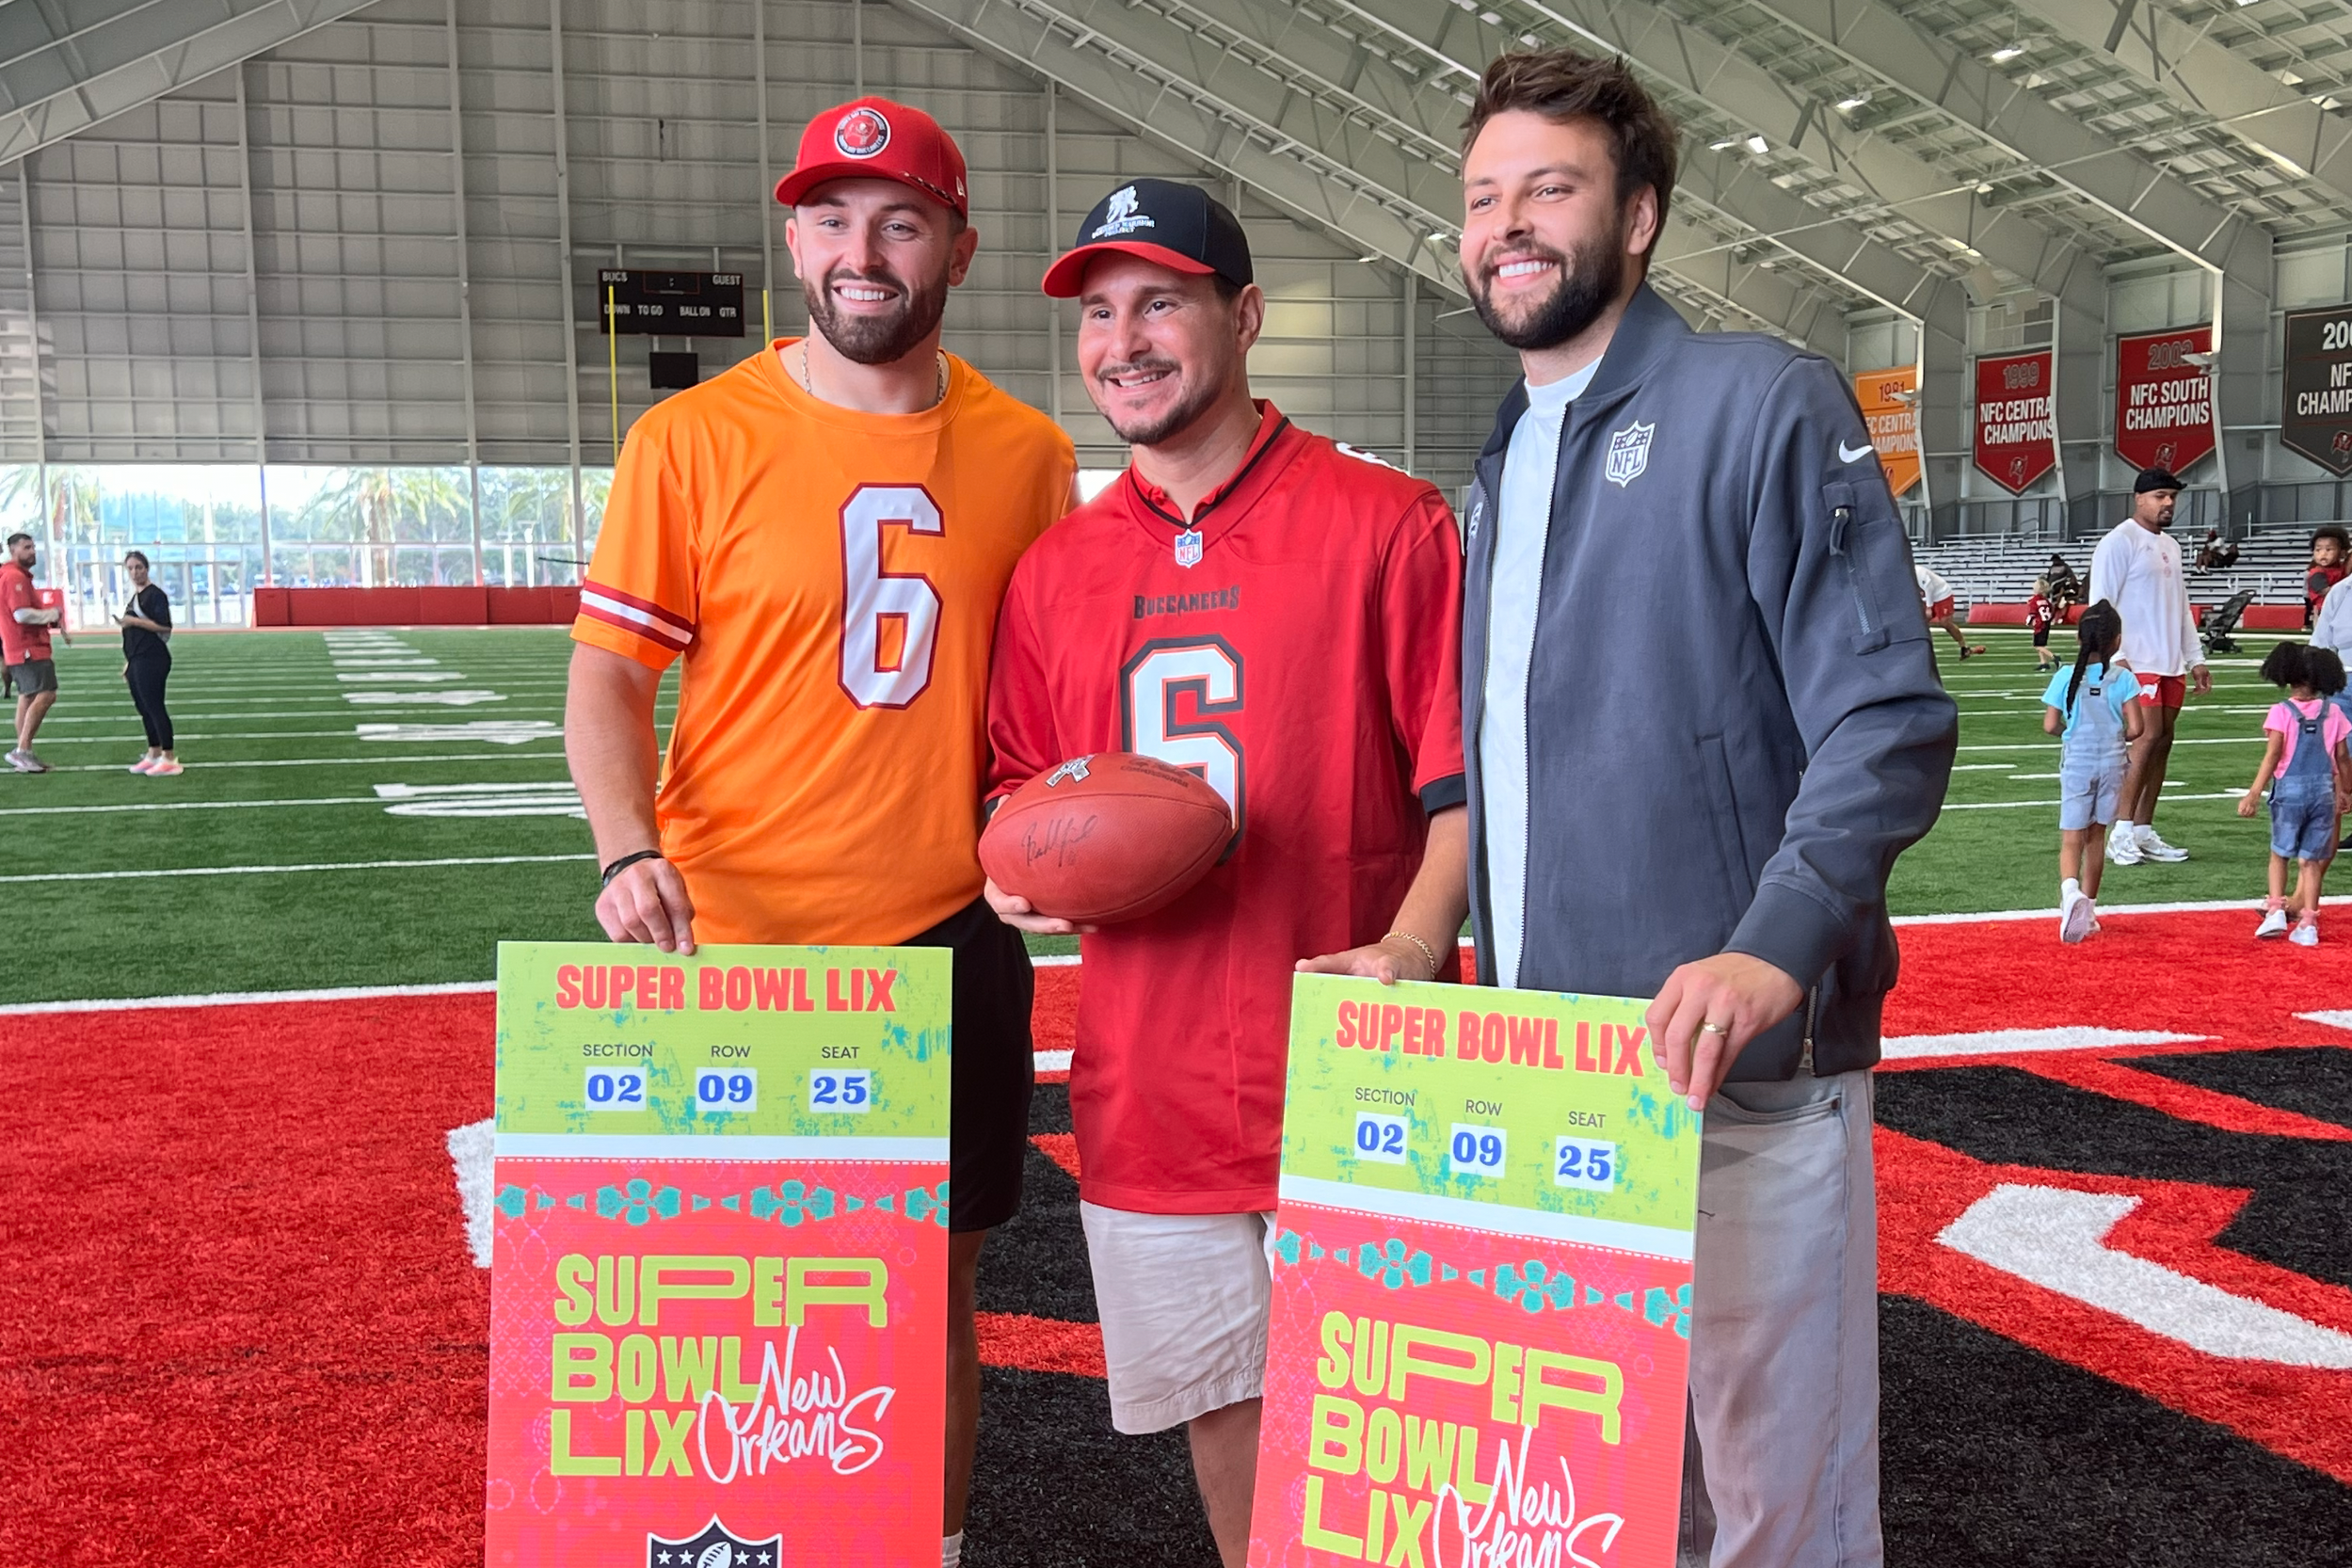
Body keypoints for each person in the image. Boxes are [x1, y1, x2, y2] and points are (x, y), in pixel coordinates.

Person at [1451, 49, 1955, 1567]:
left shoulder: (1761, 402)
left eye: (1549, 189)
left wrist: (1769, 947)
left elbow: (1885, 718)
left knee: (1775, 1516)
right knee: (1591, 1509)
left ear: (1640, 216)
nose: (1506, 226)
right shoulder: (1496, 460)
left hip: (1731, 1074)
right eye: (1481, 199)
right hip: (1551, 1081)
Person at [561, 97, 1075, 1568]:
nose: (864, 250)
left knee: (933, 1297)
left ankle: (935, 1545)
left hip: (943, 940)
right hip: (734, 942)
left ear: (956, 249)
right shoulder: (692, 436)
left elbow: (1039, 709)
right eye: (833, 218)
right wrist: (621, 844)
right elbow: (607, 672)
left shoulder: (1029, 454)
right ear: (793, 238)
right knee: (723, 1305)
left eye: (900, 218)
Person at [982, 178, 1468, 1568]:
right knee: (1227, 1420)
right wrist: (1019, 867)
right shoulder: (1053, 572)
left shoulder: (1388, 521)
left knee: (1407, 1439)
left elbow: (1466, 792)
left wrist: (1417, 946)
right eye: (1096, 312)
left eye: (1159, 302)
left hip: (1362, 1061)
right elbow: (1017, 794)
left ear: (1240, 316)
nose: (1122, 339)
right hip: (1155, 1077)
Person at [2089, 467, 2209, 866]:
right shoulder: (2119, 542)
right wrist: (2115, 659)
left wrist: (2196, 659)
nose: (2168, 503)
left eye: (2172, 496)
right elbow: (2101, 603)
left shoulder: (2171, 546)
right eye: (2160, 496)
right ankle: (2120, 831)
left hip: (2170, 660)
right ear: (2139, 498)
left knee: (2162, 742)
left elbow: (2181, 608)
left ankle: (2143, 828)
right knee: (2146, 737)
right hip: (2136, 660)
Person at [2239, 642, 2351, 945]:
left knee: (2280, 853)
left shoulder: (2281, 712)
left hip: (2290, 792)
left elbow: (2273, 755)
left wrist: (2253, 793)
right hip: (2324, 793)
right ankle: (2308, 924)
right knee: (2311, 860)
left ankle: (2276, 908)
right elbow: (2342, 758)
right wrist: (2347, 792)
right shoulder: (2335, 712)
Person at [2042, 600, 2141, 943]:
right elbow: (2137, 728)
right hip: (2112, 761)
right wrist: (2116, 736)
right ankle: (2091, 906)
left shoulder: (2066, 676)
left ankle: (2070, 894)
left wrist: (2071, 733)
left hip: (2078, 760)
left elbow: (2050, 724)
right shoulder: (2123, 677)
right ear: (2116, 640)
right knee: (2096, 836)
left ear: (2077, 638)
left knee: (2071, 838)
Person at [0, 531, 64, 773]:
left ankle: (24, 752)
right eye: (27, 547)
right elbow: (21, 614)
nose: (32, 551)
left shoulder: (14, 576)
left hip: (19, 647)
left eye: (33, 547)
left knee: (27, 697)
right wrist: (52, 614)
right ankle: (22, 750)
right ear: (13, 550)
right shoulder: (14, 577)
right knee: (47, 694)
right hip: (27, 647)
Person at [118, 551, 178, 776]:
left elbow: (165, 626)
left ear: (146, 568)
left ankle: (169, 757)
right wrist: (128, 662)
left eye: (139, 567)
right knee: (143, 708)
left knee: (155, 707)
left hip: (152, 658)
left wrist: (135, 621)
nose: (135, 572)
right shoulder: (135, 597)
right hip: (136, 660)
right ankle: (153, 751)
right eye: (131, 568)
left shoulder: (155, 595)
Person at [1914, 560, 1984, 660]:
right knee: (1920, 622)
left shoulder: (1918, 571)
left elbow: (1929, 587)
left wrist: (1929, 607)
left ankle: (1964, 646)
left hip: (1942, 595)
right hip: (1926, 597)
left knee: (1945, 623)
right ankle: (1920, 648)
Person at [2309, 525, 2348, 629]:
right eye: (2318, 550)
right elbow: (2324, 590)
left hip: (2340, 610)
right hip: (2324, 611)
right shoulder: (2317, 573)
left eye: (2329, 549)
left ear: (2342, 553)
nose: (2323, 554)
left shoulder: (2342, 569)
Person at [2025, 577, 2059, 672]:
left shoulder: (2034, 600)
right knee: (2041, 645)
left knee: (2038, 646)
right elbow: (2051, 610)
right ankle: (2043, 663)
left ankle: (2054, 657)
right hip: (2046, 623)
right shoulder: (2046, 600)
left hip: (2039, 624)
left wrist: (2028, 622)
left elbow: (2032, 612)